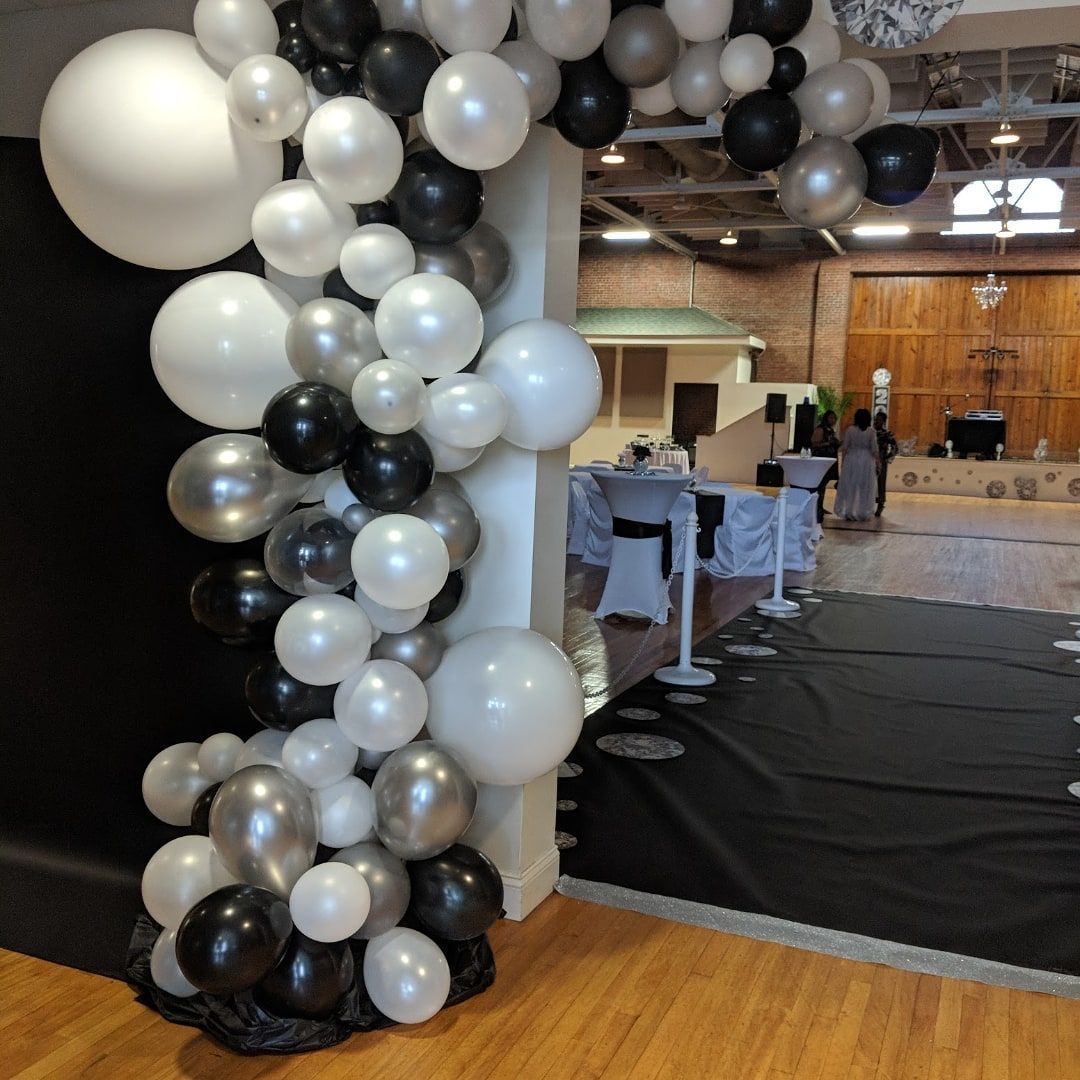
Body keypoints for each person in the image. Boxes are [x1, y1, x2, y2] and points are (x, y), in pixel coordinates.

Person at [834, 408, 881, 522]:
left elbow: (845, 447)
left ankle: (849, 510)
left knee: (850, 486)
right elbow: (874, 449)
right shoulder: (871, 431)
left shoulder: (850, 430)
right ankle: (863, 511)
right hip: (866, 460)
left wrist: (843, 463)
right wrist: (878, 462)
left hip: (852, 459)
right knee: (865, 487)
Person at [810, 410, 840, 523]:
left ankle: (820, 506)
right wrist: (828, 444)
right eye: (830, 418)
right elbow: (814, 443)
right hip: (821, 460)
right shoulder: (820, 429)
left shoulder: (831, 430)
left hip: (829, 460)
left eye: (834, 418)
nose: (832, 420)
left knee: (823, 485)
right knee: (820, 485)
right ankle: (817, 507)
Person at [873, 411, 898, 517]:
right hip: (870, 460)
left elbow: (895, 447)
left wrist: (887, 457)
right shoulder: (870, 432)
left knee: (880, 482)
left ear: (883, 421)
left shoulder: (887, 433)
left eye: (879, 420)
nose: (876, 421)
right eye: (875, 419)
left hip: (881, 460)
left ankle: (880, 504)